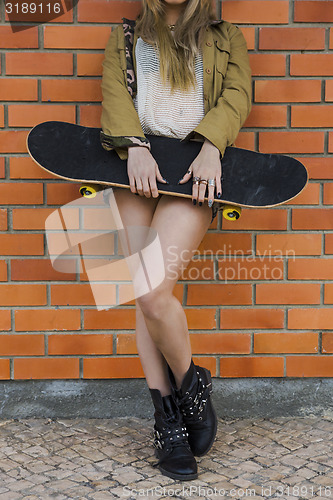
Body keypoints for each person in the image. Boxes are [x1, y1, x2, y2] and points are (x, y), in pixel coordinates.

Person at [100, 0, 252, 481]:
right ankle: (168, 417)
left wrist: (212, 147)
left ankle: (191, 386)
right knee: (140, 296)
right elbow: (115, 97)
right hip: (134, 171)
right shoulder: (126, 36)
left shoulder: (225, 36)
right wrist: (135, 147)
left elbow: (237, 95)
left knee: (151, 291)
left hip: (191, 171)